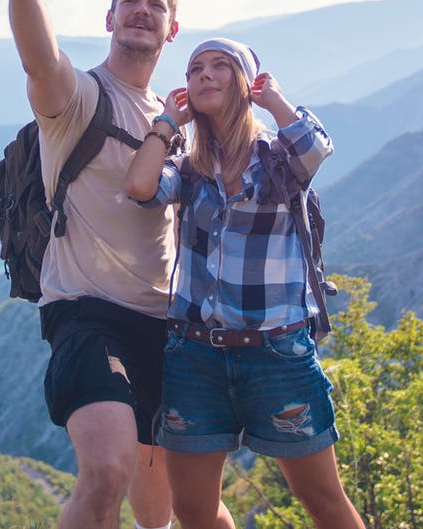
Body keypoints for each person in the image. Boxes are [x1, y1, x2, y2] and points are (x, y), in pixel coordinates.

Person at [124, 38, 366, 529]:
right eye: (195, 69)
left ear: (245, 82)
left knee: (322, 500)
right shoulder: (187, 168)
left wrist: (273, 99)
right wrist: (168, 122)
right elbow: (140, 186)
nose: (204, 75)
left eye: (220, 66)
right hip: (194, 357)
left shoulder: (277, 161)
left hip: (276, 354)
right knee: (191, 511)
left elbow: (315, 147)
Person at [4, 0, 188, 529]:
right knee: (107, 469)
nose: (142, 13)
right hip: (87, 316)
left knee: (163, 512)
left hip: (166, 327)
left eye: (155, 6)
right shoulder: (78, 100)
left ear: (172, 26)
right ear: (109, 19)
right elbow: (39, 57)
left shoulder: (175, 118)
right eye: (130, 3)